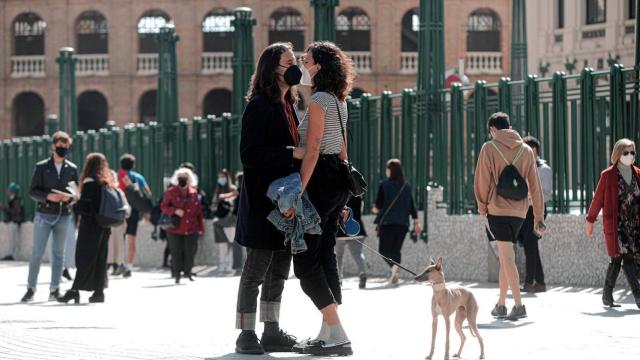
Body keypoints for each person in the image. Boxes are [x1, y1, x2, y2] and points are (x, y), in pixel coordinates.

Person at [234, 42, 305, 355]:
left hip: (286, 203)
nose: (294, 66)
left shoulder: (288, 104)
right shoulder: (260, 105)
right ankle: (246, 333)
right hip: (264, 203)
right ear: (272, 69)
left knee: (279, 270)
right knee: (256, 271)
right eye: (288, 61)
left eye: (295, 60)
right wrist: (291, 153)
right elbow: (249, 154)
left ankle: (272, 330)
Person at [292, 41, 355, 356]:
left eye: (307, 60)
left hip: (319, 179)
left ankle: (339, 334)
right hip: (337, 178)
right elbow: (343, 149)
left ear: (319, 66)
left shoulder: (318, 99)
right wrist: (343, 199)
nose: (303, 63)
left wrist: (299, 189)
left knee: (305, 259)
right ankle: (327, 330)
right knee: (325, 252)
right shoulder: (339, 100)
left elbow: (314, 147)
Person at [474, 112, 545, 321]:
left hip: (497, 211)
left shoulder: (489, 147)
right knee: (507, 257)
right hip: (520, 213)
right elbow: (535, 186)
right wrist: (538, 215)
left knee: (507, 257)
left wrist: (481, 208)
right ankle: (501, 304)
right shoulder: (525, 150)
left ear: (493, 129)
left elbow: (482, 181)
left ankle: (519, 305)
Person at [21, 131, 78, 303]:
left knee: (59, 253)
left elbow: (76, 192)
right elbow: (32, 191)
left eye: (66, 146)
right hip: (44, 214)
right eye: (60, 145)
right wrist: (48, 196)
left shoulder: (72, 168)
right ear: (53, 146)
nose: (63, 148)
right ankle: (31, 288)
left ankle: (55, 289)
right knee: (37, 252)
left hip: (64, 214)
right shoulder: (41, 166)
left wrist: (71, 197)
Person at [585, 138, 640, 308]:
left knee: (617, 260)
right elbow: (598, 199)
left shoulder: (638, 173)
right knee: (627, 259)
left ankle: (607, 296)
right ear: (617, 154)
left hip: (634, 224)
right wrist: (590, 219)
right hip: (617, 224)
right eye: (626, 152)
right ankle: (638, 296)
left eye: (632, 152)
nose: (629, 156)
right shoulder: (608, 175)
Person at [57, 153, 115, 304]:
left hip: (90, 227)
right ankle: (98, 292)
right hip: (104, 226)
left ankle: (74, 291)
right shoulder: (107, 182)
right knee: (100, 259)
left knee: (84, 258)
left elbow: (87, 207)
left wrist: (75, 201)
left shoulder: (89, 181)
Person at [372, 159, 421, 286]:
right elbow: (412, 206)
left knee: (383, 250)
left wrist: (374, 209)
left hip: (387, 223)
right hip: (403, 224)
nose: (386, 171)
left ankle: (394, 268)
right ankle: (395, 270)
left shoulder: (384, 185)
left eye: (387, 169)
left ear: (391, 170)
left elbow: (378, 205)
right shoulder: (407, 186)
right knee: (396, 250)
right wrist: (416, 222)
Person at [518, 136, 552, 293]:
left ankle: (529, 282)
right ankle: (540, 282)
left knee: (531, 244)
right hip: (525, 211)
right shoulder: (523, 167)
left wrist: (530, 194)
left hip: (538, 211)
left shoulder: (543, 169)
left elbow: (547, 194)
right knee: (530, 245)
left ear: (534, 150)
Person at [160, 167, 204, 284]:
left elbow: (199, 212)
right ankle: (177, 274)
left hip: (191, 227)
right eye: (181, 177)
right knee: (176, 252)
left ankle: (188, 273)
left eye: (186, 177)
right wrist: (174, 210)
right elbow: (163, 206)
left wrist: (200, 228)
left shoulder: (194, 192)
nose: (184, 179)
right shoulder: (170, 191)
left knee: (190, 251)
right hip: (175, 228)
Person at [117, 154, 152, 278]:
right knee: (131, 239)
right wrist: (146, 211)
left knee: (119, 239)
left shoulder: (118, 176)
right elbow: (148, 193)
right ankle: (129, 266)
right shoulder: (138, 177)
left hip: (120, 210)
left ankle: (118, 264)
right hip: (134, 211)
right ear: (133, 165)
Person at [335, 195, 368, 289]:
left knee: (338, 256)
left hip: (340, 231)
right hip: (356, 229)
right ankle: (363, 273)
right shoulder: (358, 196)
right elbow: (360, 212)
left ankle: (338, 279)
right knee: (357, 253)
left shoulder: (338, 195)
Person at [213, 169, 237, 273]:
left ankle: (229, 265)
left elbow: (235, 204)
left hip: (230, 220)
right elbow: (213, 204)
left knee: (231, 243)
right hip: (220, 219)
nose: (221, 179)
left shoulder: (233, 188)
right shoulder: (217, 189)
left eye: (222, 177)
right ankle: (222, 264)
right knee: (222, 244)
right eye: (219, 177)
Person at [108, 170, 127, 276]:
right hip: (107, 222)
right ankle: (109, 265)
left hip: (118, 223)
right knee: (109, 246)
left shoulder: (119, 192)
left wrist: (123, 210)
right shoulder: (104, 191)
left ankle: (117, 265)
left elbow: (126, 206)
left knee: (118, 245)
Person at [1, 182, 24, 261]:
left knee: (14, 240)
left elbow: (14, 211)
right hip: (12, 222)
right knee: (12, 239)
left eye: (9, 190)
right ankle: (12, 254)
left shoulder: (16, 200)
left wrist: (4, 207)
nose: (8, 191)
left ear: (13, 191)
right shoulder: (13, 200)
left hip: (14, 222)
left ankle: (14, 255)